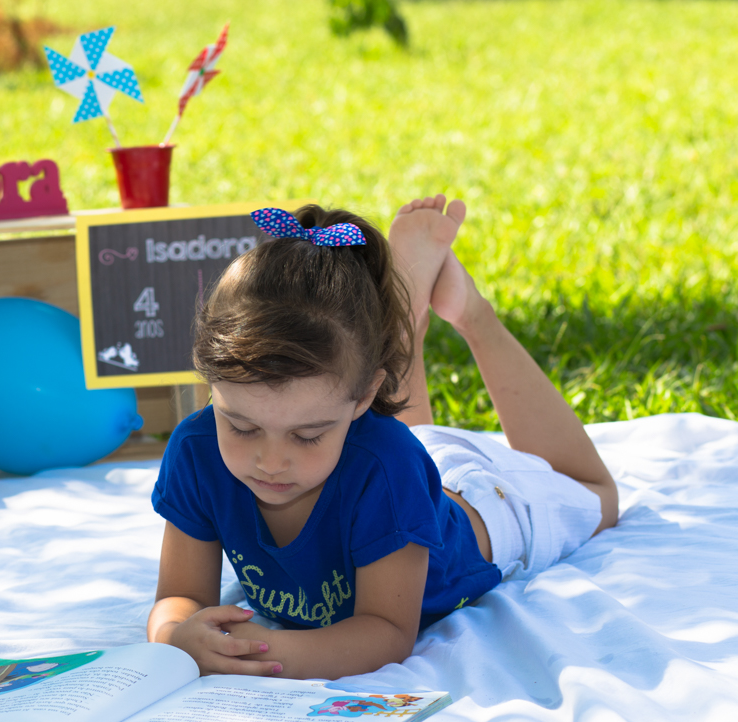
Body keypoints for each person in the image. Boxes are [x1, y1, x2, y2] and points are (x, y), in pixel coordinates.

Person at [146, 196, 619, 680]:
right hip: (397, 463)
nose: (271, 460)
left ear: (364, 396)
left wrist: (262, 652)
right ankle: (403, 316)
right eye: (241, 427)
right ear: (211, 387)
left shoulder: (388, 464)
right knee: (406, 441)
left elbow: (386, 632)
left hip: (488, 505)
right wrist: (176, 635)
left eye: (307, 436)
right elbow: (178, 597)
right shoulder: (196, 450)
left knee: (598, 497)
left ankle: (473, 314)